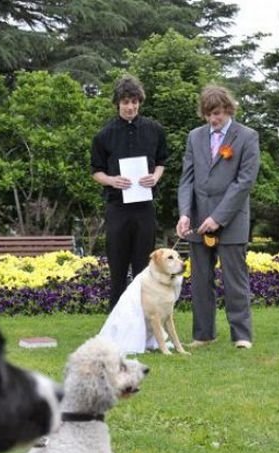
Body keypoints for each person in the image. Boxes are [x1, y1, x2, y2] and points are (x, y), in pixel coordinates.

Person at [176, 84, 260, 349]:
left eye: (219, 114)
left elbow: (244, 182)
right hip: (198, 223)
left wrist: (218, 217)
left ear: (228, 110)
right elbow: (186, 180)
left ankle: (242, 336)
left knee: (235, 281)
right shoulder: (194, 137)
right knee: (201, 282)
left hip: (232, 220)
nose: (215, 119)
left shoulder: (247, 136)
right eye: (210, 114)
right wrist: (184, 214)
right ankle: (203, 334)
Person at [91, 75, 169, 309]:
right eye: (125, 102)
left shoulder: (154, 130)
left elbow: (162, 162)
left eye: (134, 101)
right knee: (117, 267)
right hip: (117, 209)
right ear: (118, 103)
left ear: (140, 102)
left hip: (144, 208)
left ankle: (144, 322)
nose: (130, 107)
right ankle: (116, 325)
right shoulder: (104, 135)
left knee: (144, 269)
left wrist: (154, 177)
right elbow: (96, 171)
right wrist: (112, 180)